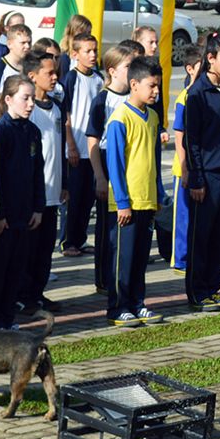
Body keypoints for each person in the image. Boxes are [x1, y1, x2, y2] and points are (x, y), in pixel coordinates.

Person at [179, 32, 220, 314]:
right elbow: (191, 140)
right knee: (201, 237)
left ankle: (213, 288)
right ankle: (197, 291)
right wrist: (197, 178)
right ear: (211, 58)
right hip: (208, 176)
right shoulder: (198, 94)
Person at [102, 56, 165, 328]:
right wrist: (123, 202)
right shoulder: (120, 118)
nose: (156, 92)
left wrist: (159, 192)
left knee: (140, 258)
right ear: (134, 84)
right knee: (123, 259)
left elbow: (154, 158)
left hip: (147, 199)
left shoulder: (152, 117)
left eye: (159, 87)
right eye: (152, 86)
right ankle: (118, 307)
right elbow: (115, 163)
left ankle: (138, 303)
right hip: (127, 203)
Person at [0, 75, 44, 331]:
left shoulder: (32, 131)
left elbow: (37, 172)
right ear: (8, 100)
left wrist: (38, 207)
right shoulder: (1, 132)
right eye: (24, 98)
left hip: (24, 213)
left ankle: (8, 317)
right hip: (4, 218)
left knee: (16, 270)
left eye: (32, 98)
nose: (30, 104)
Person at [85, 43, 137, 296]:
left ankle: (123, 273)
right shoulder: (102, 99)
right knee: (107, 227)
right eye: (129, 67)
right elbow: (93, 140)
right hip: (106, 160)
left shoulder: (135, 96)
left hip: (130, 160)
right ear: (113, 70)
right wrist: (99, 176)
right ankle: (103, 278)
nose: (133, 72)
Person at [20, 52, 64, 316]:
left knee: (45, 250)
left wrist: (64, 183)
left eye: (56, 71)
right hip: (33, 195)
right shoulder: (28, 110)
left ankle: (37, 292)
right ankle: (23, 295)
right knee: (29, 250)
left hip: (53, 191)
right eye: (49, 72)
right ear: (32, 75)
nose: (55, 76)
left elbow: (57, 148)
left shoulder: (57, 107)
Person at [58, 34, 102, 258]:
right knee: (73, 197)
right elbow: (66, 114)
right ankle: (67, 241)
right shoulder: (71, 79)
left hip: (92, 150)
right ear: (75, 54)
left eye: (95, 50)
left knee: (88, 197)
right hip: (76, 147)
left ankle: (81, 238)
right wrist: (71, 145)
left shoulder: (98, 78)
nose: (93, 55)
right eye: (88, 51)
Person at [169, 43, 203, 276]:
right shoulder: (185, 96)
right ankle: (179, 259)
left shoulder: (203, 94)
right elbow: (179, 134)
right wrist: (185, 166)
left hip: (200, 167)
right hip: (185, 169)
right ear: (190, 69)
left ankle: (194, 255)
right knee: (183, 217)